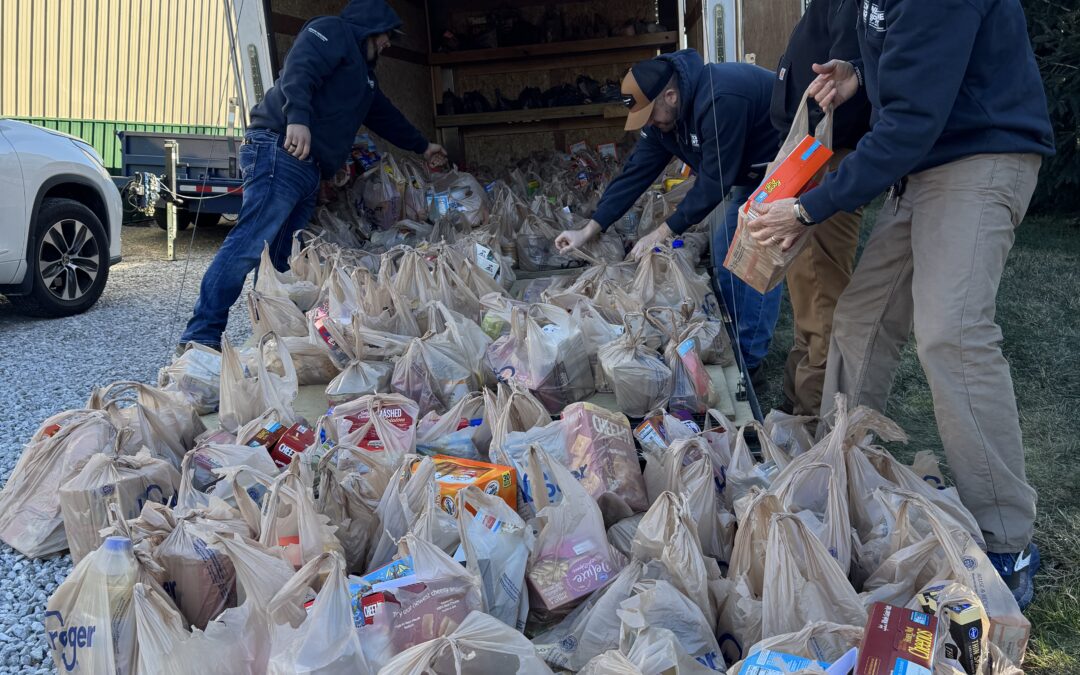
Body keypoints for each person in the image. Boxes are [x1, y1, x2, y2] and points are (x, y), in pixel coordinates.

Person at [746, 0, 1054, 608]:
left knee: (951, 333)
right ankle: (838, 473)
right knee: (860, 319)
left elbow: (913, 116)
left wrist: (810, 206)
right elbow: (915, 60)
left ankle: (1007, 539)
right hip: (924, 165)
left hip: (981, 155)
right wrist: (860, 69)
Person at [179, 0, 446, 351]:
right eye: (386, 36)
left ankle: (268, 333)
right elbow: (299, 70)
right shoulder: (332, 32)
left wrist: (423, 146)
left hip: (305, 167)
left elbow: (386, 117)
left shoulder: (365, 78)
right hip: (280, 150)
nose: (388, 44)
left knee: (279, 261)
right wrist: (298, 119)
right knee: (249, 246)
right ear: (370, 27)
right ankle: (201, 335)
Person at [555, 51, 781, 383]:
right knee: (725, 250)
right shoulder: (665, 120)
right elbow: (635, 173)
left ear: (671, 96)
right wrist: (589, 228)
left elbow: (713, 182)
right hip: (748, 174)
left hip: (780, 166)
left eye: (651, 114)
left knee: (758, 255)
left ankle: (750, 358)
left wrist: (662, 231)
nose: (650, 123)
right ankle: (734, 337)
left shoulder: (720, 99)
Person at [771, 0, 871, 416]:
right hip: (810, 156)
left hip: (826, 160)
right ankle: (800, 404)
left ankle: (818, 424)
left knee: (821, 296)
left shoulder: (850, 6)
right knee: (806, 294)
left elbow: (849, 76)